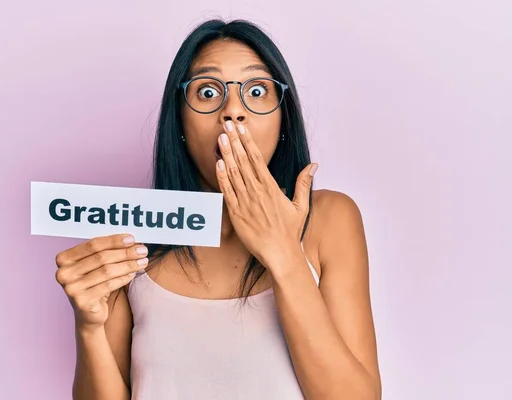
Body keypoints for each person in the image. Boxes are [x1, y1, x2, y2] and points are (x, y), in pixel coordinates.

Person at [55, 18, 382, 400]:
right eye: (208, 92)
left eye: (257, 90)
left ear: (283, 118)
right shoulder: (133, 235)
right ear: (179, 118)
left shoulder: (330, 217)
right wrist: (88, 327)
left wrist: (284, 253)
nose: (232, 112)